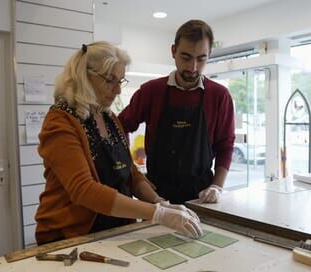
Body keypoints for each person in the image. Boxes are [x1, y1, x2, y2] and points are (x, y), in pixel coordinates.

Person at [35, 41, 202, 245]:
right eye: (110, 80)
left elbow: (131, 174)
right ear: (84, 76)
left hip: (116, 232)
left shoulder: (110, 119)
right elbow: (83, 189)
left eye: (120, 81)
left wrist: (159, 202)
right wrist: (157, 214)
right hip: (70, 237)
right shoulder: (60, 121)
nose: (117, 90)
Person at [118, 20, 235, 204]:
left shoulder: (219, 96)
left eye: (201, 58)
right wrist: (134, 174)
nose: (193, 67)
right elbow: (119, 127)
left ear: (209, 54)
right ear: (173, 51)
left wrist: (217, 187)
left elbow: (225, 145)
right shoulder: (151, 91)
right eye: (186, 57)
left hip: (201, 197)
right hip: (157, 196)